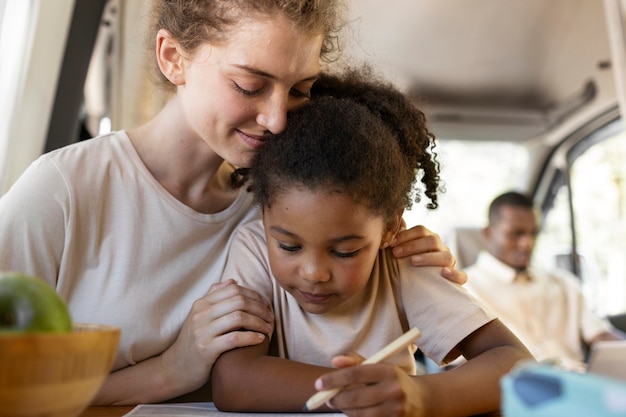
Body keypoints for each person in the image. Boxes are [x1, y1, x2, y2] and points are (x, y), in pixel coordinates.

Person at [0, 0, 467, 406]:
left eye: (300, 90)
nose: (278, 119)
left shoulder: (280, 207)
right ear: (173, 58)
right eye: (249, 86)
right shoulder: (63, 190)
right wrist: (170, 370)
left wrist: (400, 255)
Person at [211, 69, 533, 417]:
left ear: (390, 229)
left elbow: (517, 364)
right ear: (264, 215)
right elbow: (233, 382)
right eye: (289, 247)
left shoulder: (402, 261)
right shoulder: (254, 249)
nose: (314, 272)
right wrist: (357, 390)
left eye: (344, 251)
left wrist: (421, 396)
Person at [464, 191, 624, 369]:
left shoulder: (564, 283)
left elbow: (601, 336)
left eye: (533, 233)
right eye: (516, 233)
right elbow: (461, 365)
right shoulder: (466, 289)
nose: (528, 243)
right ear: (488, 233)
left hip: (580, 384)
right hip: (510, 389)